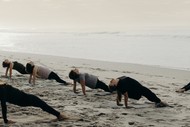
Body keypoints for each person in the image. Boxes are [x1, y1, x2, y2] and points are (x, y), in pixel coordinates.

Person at [0, 80, 68, 124]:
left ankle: (58, 115)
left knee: (42, 104)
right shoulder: (2, 90)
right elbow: (3, 105)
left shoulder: (2, 87)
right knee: (42, 104)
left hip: (23, 98)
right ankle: (59, 115)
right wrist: (6, 120)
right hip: (24, 99)